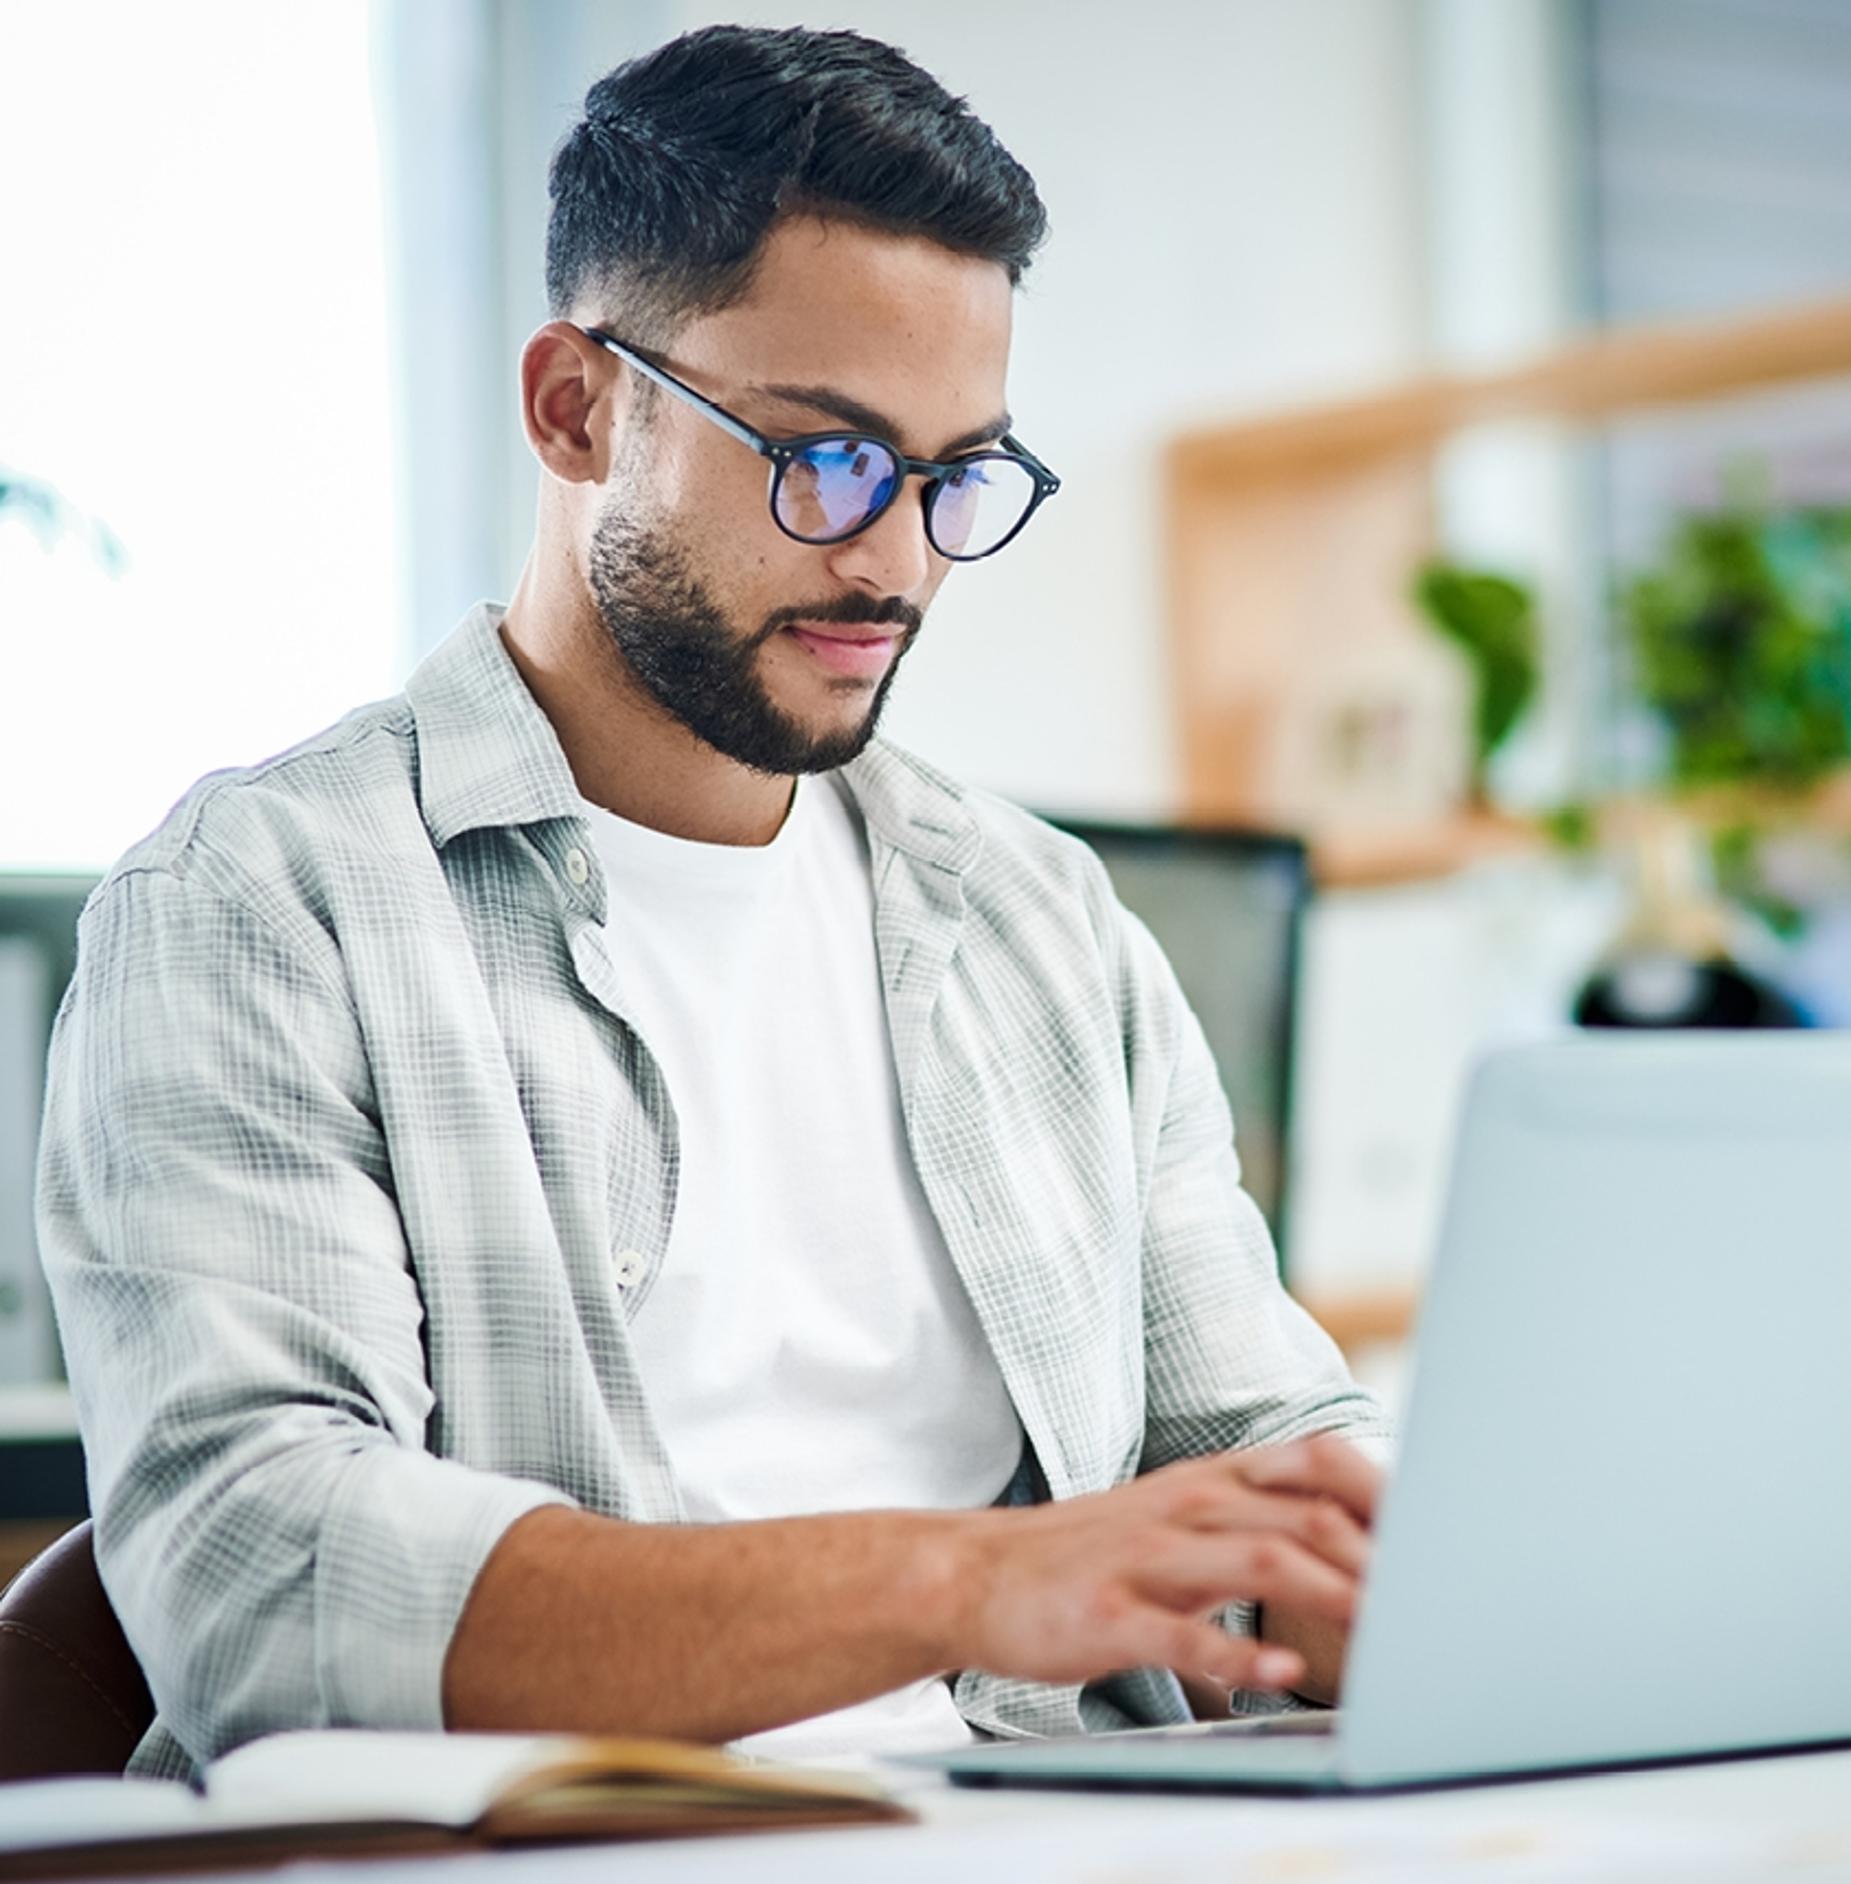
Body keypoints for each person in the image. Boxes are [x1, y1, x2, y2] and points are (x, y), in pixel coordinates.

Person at [36, 23, 1391, 1782]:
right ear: (575, 406)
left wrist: (1420, 1571)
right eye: (820, 458)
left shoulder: (1048, 929)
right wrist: (963, 1582)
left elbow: (1268, 1456)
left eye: (955, 474)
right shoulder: (261, 910)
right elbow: (265, 1584)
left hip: (1064, 1831)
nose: (895, 560)